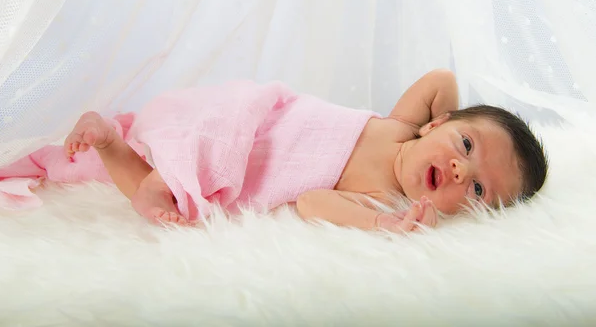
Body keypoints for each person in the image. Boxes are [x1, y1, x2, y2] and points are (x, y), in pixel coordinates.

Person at [59, 69, 547, 234]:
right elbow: (442, 79)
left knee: (182, 191)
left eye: (479, 189)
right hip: (253, 122)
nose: (461, 169)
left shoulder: (382, 198)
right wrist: (440, 129)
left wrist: (381, 224)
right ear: (438, 121)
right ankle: (155, 173)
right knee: (204, 143)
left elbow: (312, 203)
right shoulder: (403, 125)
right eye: (466, 145)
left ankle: (109, 142)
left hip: (250, 171)